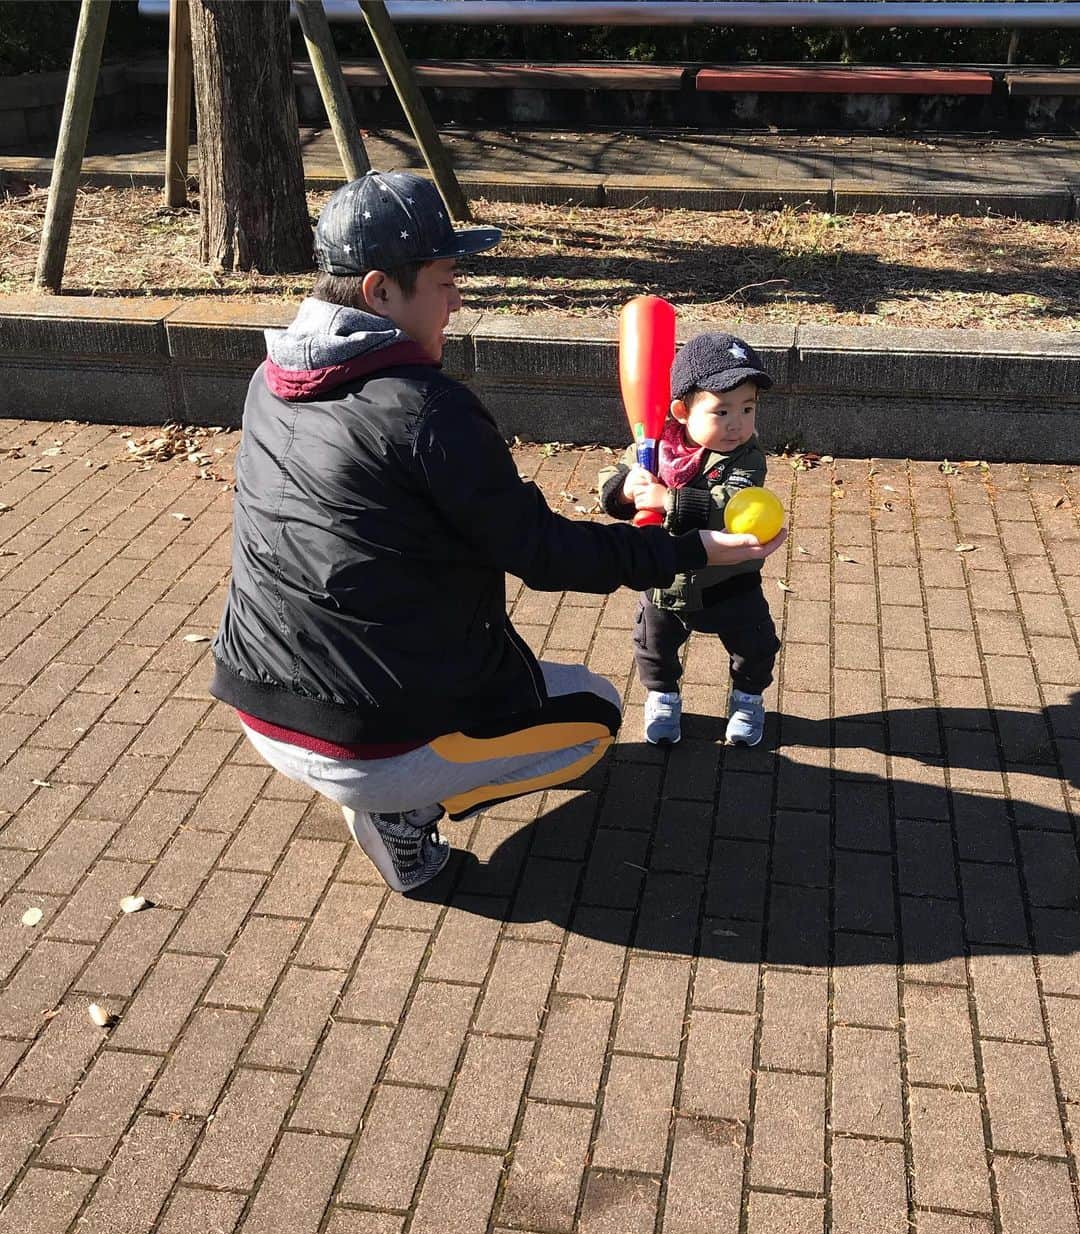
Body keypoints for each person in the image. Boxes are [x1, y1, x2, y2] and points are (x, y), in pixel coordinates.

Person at [210, 171, 785, 892]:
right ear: (380, 292)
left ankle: (392, 785)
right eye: (445, 279)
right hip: (362, 741)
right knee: (595, 717)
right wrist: (694, 546)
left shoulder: (271, 377)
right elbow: (545, 554)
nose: (457, 299)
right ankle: (404, 815)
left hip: (256, 701)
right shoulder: (426, 410)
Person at [599, 333, 781, 749]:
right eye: (722, 410)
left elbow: (728, 503)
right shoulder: (652, 446)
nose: (738, 422)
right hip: (664, 580)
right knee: (653, 647)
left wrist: (669, 500)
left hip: (730, 581)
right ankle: (663, 696)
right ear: (681, 410)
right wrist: (627, 489)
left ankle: (748, 697)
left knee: (754, 646)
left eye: (748, 408)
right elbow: (610, 483)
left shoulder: (747, 458)